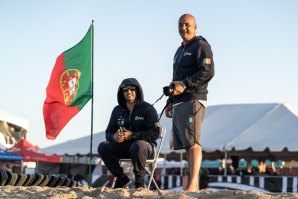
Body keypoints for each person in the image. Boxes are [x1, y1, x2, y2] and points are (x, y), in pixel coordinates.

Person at [165, 14, 214, 192]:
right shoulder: (179, 50)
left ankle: (193, 184)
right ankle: (193, 184)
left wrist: (185, 85)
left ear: (195, 26)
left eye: (187, 25)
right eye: (180, 25)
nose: (183, 28)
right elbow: (176, 80)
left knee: (193, 143)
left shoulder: (200, 45)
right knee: (187, 145)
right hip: (179, 102)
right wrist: (171, 101)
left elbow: (208, 71)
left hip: (194, 99)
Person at [98, 78, 160, 189]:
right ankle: (122, 179)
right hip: (125, 148)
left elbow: (155, 133)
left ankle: (139, 184)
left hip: (145, 148)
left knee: (138, 145)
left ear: (138, 91)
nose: (129, 92)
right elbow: (108, 132)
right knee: (103, 146)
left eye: (132, 89)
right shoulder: (117, 110)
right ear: (122, 92)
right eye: (125, 90)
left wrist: (133, 135)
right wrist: (113, 137)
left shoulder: (148, 108)